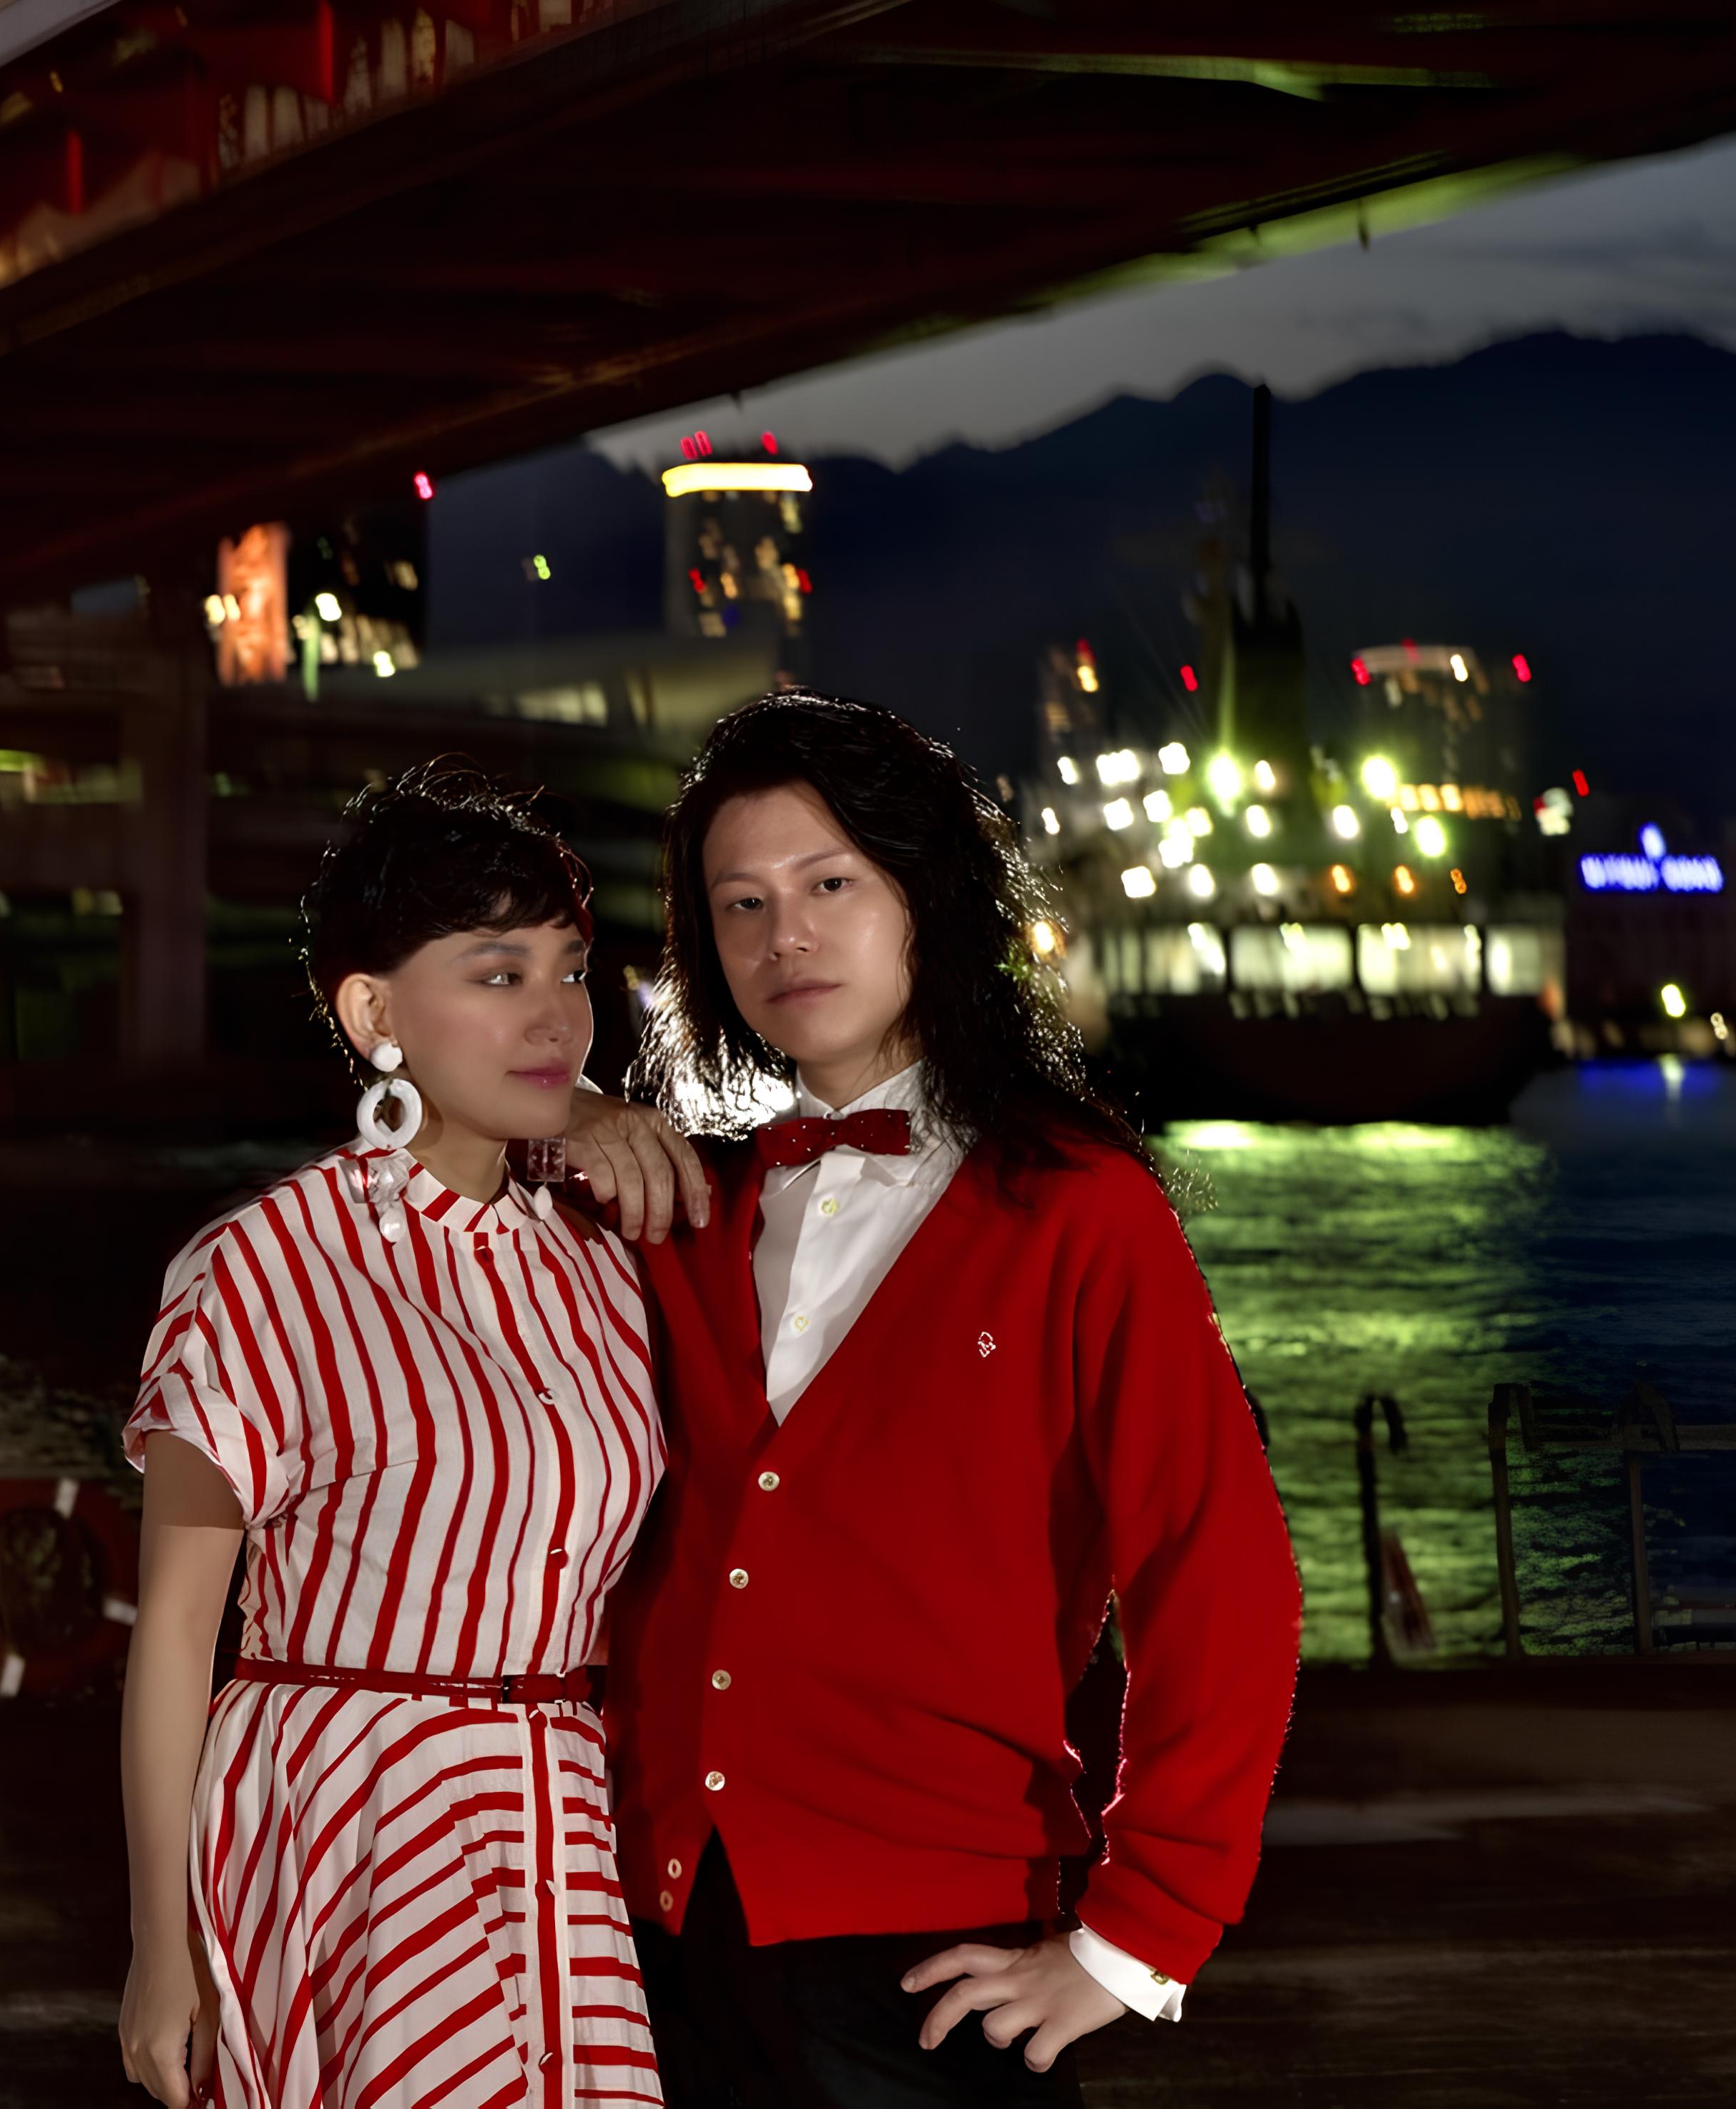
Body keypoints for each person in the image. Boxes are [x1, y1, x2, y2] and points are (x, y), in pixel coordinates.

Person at [607, 693, 1302, 2106]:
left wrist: (1136, 1938)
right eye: (740, 903)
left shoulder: (1079, 1210)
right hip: (658, 1924)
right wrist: (567, 1112)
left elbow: (1215, 1568)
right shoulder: (682, 1206)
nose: (784, 936)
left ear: (928, 895)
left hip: (931, 1941)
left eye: (829, 884)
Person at [118, 763, 672, 2109]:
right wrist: (159, 1948)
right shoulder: (264, 1266)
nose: (555, 1015)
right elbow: (178, 1630)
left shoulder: (602, 1265)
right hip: (352, 1822)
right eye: (498, 974)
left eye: (570, 970)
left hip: (560, 1825)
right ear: (374, 1013)